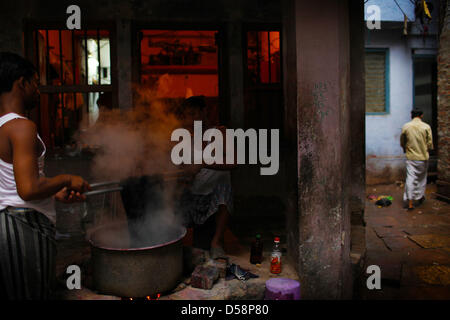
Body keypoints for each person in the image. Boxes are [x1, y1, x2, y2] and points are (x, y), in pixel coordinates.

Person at [0, 52, 90, 300]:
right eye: (36, 84)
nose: (38, 91)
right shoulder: (22, 126)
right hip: (23, 225)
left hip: (9, 223)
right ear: (21, 83)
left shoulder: (2, 125)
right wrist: (66, 179)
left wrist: (54, 191)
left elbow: (12, 179)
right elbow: (27, 189)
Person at [176, 96, 236, 259]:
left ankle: (216, 241)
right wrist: (185, 173)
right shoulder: (186, 138)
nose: (191, 119)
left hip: (214, 198)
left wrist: (203, 163)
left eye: (194, 113)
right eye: (188, 115)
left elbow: (234, 162)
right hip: (194, 197)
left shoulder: (220, 132)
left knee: (225, 186)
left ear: (204, 111)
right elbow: (182, 169)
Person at [400, 108, 433, 211]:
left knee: (410, 178)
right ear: (421, 115)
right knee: (422, 179)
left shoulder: (406, 126)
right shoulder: (426, 127)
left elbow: (402, 142)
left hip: (411, 157)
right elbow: (430, 144)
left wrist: (405, 149)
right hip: (423, 157)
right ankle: (420, 197)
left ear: (412, 115)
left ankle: (410, 202)